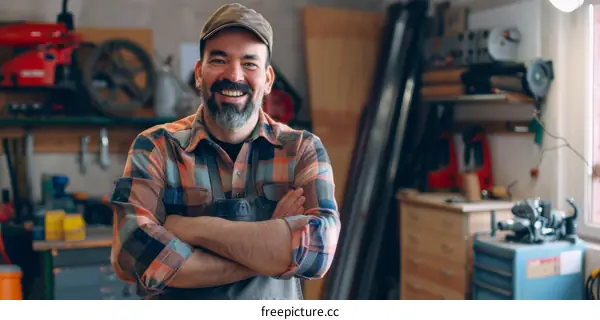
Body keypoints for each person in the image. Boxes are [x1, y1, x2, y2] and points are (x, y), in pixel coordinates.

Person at [109, 3, 341, 300]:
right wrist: (272, 245)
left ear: (268, 80)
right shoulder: (156, 147)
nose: (234, 75)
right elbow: (135, 254)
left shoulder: (301, 150)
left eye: (249, 63)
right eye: (219, 60)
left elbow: (318, 253)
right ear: (198, 73)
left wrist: (193, 229)